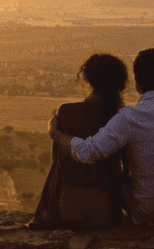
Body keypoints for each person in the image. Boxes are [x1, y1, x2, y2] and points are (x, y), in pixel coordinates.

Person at [49, 48, 154, 225]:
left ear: (137, 81)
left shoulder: (128, 118)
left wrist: (55, 133)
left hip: (149, 214)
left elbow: (89, 151)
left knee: (124, 182)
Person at [29, 53, 129, 230]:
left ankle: (46, 215)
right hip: (107, 211)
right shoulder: (122, 117)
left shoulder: (66, 112)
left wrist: (54, 132)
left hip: (67, 207)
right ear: (120, 83)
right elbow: (126, 170)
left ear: (87, 79)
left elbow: (59, 165)